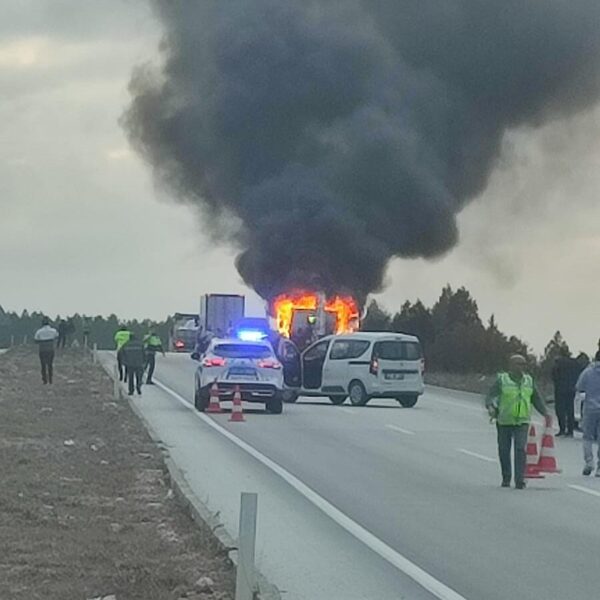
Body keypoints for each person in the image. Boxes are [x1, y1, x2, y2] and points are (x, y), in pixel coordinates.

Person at [485, 354, 550, 489]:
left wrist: (545, 413)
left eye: (523, 364)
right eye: (518, 364)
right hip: (504, 420)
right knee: (504, 449)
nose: (522, 367)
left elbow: (536, 399)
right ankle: (506, 477)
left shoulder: (528, 381)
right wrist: (491, 407)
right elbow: (490, 396)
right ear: (511, 365)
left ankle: (519, 479)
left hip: (522, 422)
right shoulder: (502, 380)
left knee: (520, 449)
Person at [575, 351, 600, 477]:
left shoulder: (588, 372)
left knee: (587, 437)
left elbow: (579, 387)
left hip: (590, 408)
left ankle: (589, 462)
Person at [551, 348, 579, 437]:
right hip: (571, 389)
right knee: (570, 410)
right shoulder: (575, 363)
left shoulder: (558, 362)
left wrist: (557, 383)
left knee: (560, 410)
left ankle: (562, 429)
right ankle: (570, 430)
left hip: (560, 389)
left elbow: (554, 374)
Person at [34, 317, 59, 384]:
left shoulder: (39, 331)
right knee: (50, 364)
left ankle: (44, 379)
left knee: (43, 365)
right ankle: (50, 379)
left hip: (42, 349)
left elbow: (36, 340)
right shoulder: (53, 330)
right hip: (50, 349)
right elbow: (57, 336)